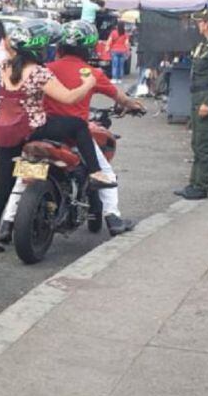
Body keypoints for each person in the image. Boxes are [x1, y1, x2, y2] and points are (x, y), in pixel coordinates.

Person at [0, 19, 109, 249]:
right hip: (31, 129)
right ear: (38, 48)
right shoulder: (38, 73)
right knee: (78, 126)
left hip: (3, 132)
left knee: (4, 183)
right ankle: (95, 172)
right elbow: (70, 98)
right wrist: (89, 82)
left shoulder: (5, 66)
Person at [47, 21, 145, 236]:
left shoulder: (46, 69)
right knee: (106, 173)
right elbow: (119, 96)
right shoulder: (91, 73)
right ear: (88, 47)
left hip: (44, 132)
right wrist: (134, 105)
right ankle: (113, 218)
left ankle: (6, 222)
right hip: (75, 136)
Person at [175, 9, 208, 201]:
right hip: (198, 96)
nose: (198, 24)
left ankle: (201, 186)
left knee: (204, 144)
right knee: (197, 142)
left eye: (201, 22)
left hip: (207, 98)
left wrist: (207, 102)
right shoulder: (204, 44)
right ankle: (193, 184)